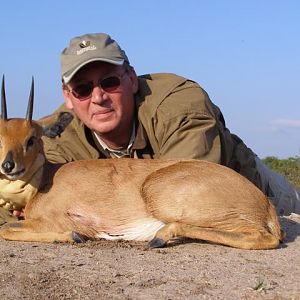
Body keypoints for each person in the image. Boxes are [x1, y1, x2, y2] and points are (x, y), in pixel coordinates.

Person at [38, 32, 299, 216]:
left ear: (131, 79)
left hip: (252, 192)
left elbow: (192, 192)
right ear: (68, 97)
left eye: (109, 82)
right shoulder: (56, 135)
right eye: (82, 89)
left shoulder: (177, 105)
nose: (98, 98)